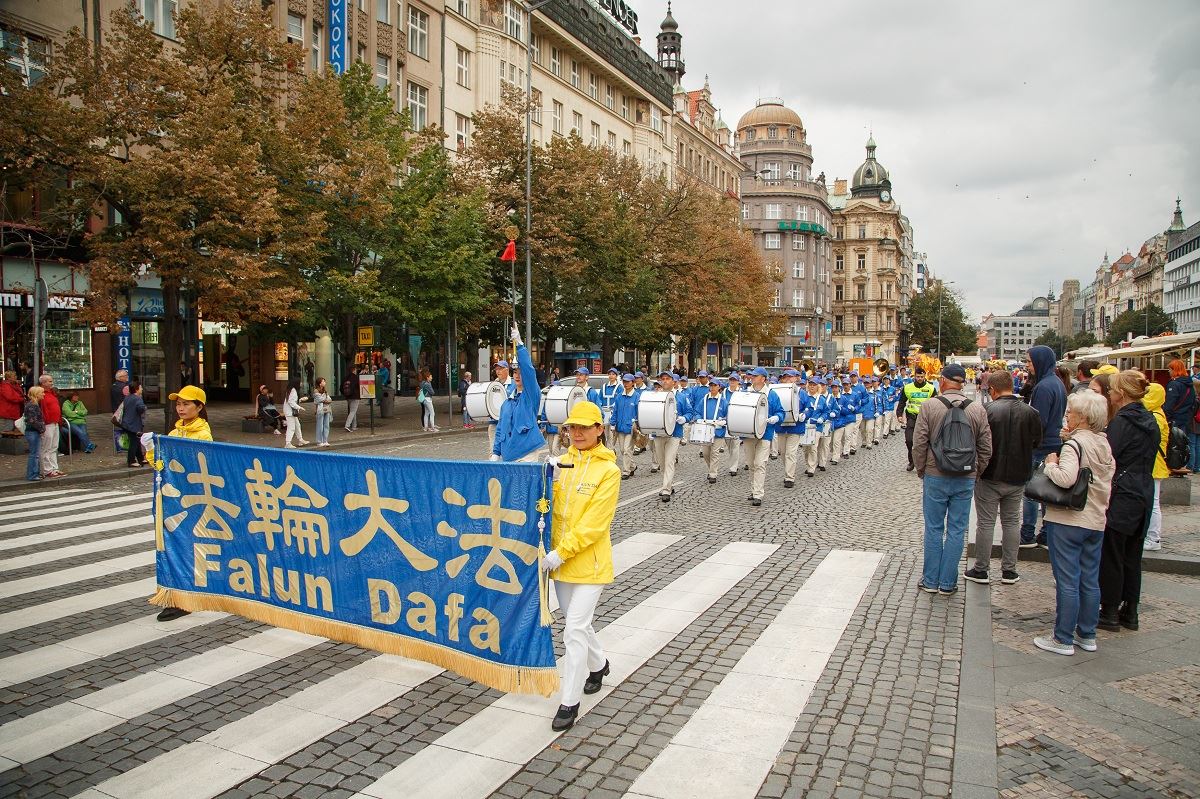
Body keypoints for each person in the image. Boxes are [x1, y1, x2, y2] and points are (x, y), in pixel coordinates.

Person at [541, 400, 619, 732]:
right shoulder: (561, 464)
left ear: (599, 430)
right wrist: (544, 477)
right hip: (560, 561)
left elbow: (594, 525)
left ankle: (569, 702)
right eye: (573, 427)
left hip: (589, 564)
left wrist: (561, 552)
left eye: (586, 427)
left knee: (573, 628)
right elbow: (545, 506)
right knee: (580, 624)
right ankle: (599, 665)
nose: (578, 433)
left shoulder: (609, 471)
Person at [1033, 391, 1115, 656]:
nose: (1067, 416)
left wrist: (1050, 465)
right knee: (1089, 579)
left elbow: (1066, 478)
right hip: (1095, 519)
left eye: (1071, 413)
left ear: (1083, 418)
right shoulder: (1104, 444)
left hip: (1069, 520)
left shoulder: (1074, 445)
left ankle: (1063, 637)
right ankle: (1087, 634)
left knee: (1067, 579)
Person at [912, 364, 992, 596]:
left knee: (934, 528)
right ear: (962, 383)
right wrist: (976, 473)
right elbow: (986, 448)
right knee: (957, 529)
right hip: (965, 476)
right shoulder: (977, 410)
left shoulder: (929, 406)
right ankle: (948, 583)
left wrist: (922, 469)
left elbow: (919, 444)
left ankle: (930, 581)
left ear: (943, 381)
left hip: (935, 474)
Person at [965, 370, 1043, 586]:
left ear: (992, 389)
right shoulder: (1031, 412)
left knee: (986, 523)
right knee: (1011, 522)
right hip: (1018, 474)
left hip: (990, 473)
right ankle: (1009, 570)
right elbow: (1037, 442)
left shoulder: (987, 410)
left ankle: (981, 569)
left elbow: (977, 441)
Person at [1098, 370, 1158, 633]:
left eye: (1111, 390)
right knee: (1133, 555)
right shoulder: (1150, 419)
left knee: (1112, 553)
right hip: (1143, 489)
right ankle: (1130, 610)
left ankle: (1110, 610)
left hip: (1122, 491)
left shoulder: (1123, 422)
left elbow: (1109, 457)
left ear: (1121, 393)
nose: (1109, 394)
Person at [154, 384, 216, 622]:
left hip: (194, 500)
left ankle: (185, 597)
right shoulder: (174, 432)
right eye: (178, 404)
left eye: (186, 404)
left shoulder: (203, 434)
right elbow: (163, 468)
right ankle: (179, 595)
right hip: (172, 500)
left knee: (187, 547)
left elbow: (195, 466)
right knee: (173, 547)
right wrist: (152, 451)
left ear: (199, 407)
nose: (180, 408)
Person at [1020, 346, 1068, 549]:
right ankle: (1047, 534)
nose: (1027, 366)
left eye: (1030, 362)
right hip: (1052, 444)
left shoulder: (1043, 387)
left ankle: (1028, 534)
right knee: (1046, 493)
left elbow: (1039, 421)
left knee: (1031, 491)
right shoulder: (1057, 383)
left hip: (1040, 446)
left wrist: (1025, 439)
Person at [491, 327, 544, 462]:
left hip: (527, 453)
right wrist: (496, 452)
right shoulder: (507, 402)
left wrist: (520, 346)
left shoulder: (530, 396)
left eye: (520, 373)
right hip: (508, 455)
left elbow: (529, 371)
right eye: (515, 372)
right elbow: (500, 429)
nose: (518, 376)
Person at [743, 367, 785, 507]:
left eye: (755, 376)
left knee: (760, 463)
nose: (752, 378)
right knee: (751, 463)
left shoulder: (771, 394)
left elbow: (781, 412)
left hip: (765, 434)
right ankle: (753, 489)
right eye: (752, 376)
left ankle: (758, 494)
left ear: (763, 378)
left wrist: (776, 417)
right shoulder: (747, 393)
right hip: (748, 433)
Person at [650, 372, 694, 502]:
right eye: (662, 379)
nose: (664, 381)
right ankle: (668, 483)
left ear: (673, 382)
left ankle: (666, 490)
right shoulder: (656, 396)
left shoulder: (681, 397)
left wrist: (684, 418)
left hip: (675, 434)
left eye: (667, 379)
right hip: (658, 433)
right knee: (662, 463)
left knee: (669, 461)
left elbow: (690, 412)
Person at [899, 367, 937, 471]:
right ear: (914, 376)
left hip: (925, 419)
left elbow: (935, 404)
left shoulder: (931, 388)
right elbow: (902, 402)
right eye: (917, 376)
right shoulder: (907, 387)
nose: (919, 378)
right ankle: (912, 461)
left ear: (924, 376)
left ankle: (923, 462)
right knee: (909, 440)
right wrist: (899, 414)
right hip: (912, 418)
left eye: (921, 376)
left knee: (925, 442)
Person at [694, 376, 728, 484]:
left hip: (718, 431)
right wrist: (698, 418)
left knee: (715, 452)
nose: (712, 387)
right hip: (705, 431)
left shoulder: (723, 401)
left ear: (719, 387)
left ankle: (713, 473)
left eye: (715, 385)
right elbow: (697, 412)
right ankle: (711, 469)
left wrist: (724, 421)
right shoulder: (704, 399)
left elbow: (728, 415)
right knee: (705, 453)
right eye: (711, 385)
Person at [610, 373, 641, 479]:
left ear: (633, 383)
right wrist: (613, 424)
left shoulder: (637, 396)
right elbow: (615, 411)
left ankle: (626, 471)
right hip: (620, 426)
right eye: (624, 381)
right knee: (622, 450)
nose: (626, 383)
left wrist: (637, 425)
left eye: (628, 381)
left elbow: (639, 413)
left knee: (627, 449)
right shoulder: (619, 396)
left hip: (631, 427)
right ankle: (632, 466)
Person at [38, 374, 65, 478]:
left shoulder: (52, 393)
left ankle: (54, 468)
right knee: (46, 447)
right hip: (47, 423)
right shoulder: (41, 394)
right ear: (43, 383)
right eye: (49, 381)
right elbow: (43, 409)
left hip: (54, 422)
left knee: (54, 447)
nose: (51, 383)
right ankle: (47, 470)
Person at [1164, 359, 1197, 433]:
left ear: (1174, 370)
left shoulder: (1174, 384)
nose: (1168, 371)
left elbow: (1169, 404)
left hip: (1175, 420)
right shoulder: (1190, 383)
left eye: (1170, 369)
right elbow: (1193, 401)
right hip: (1186, 419)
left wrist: (1166, 418)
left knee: (1174, 442)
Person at [120, 381, 148, 468]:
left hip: (126, 423)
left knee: (136, 441)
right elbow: (140, 409)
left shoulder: (127, 397)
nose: (142, 389)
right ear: (136, 389)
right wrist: (144, 407)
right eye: (140, 387)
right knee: (134, 443)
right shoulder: (138, 398)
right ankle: (131, 461)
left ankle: (141, 458)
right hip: (134, 424)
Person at [23, 386, 45, 482]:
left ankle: (34, 473)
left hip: (33, 431)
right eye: (42, 393)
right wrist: (41, 428)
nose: (43, 394)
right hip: (33, 432)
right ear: (36, 394)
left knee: (35, 453)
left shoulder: (32, 404)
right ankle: (32, 474)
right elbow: (32, 420)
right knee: (34, 454)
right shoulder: (32, 405)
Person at [281, 379, 308, 448]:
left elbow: (291, 400)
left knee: (297, 425)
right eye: (300, 382)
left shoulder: (290, 390)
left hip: (290, 411)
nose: (301, 383)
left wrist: (300, 400)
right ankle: (288, 443)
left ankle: (300, 440)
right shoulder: (293, 390)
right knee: (291, 427)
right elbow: (291, 402)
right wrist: (299, 407)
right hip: (290, 412)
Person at [109, 370, 130, 452]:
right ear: (120, 377)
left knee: (124, 429)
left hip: (116, 411)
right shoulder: (125, 387)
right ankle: (127, 446)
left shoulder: (113, 386)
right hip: (124, 411)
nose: (127, 376)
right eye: (125, 375)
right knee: (129, 429)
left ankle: (123, 446)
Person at [313, 377, 333, 447]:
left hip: (326, 409)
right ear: (320, 383)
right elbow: (319, 400)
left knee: (326, 425)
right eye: (323, 381)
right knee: (320, 425)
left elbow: (329, 399)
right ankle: (319, 441)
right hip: (320, 409)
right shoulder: (316, 391)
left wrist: (326, 400)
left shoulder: (325, 391)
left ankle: (325, 440)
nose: (325, 383)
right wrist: (325, 400)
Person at [342, 368, 360, 432]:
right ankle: (347, 425)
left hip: (348, 397)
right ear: (354, 370)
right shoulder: (356, 377)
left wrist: (345, 394)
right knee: (353, 411)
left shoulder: (345, 378)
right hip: (355, 396)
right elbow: (359, 386)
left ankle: (354, 426)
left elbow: (341, 387)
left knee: (353, 411)